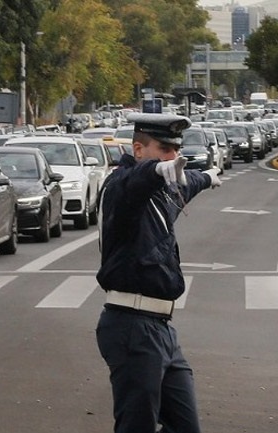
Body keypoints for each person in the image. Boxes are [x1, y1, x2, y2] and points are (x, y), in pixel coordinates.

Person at [95, 113, 222, 433]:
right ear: (138, 150)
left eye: (176, 151)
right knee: (136, 426)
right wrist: (156, 170)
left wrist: (206, 177)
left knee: (184, 426)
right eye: (164, 149)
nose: (174, 157)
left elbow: (186, 181)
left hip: (161, 328)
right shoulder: (121, 188)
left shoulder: (166, 190)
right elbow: (134, 183)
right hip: (131, 325)